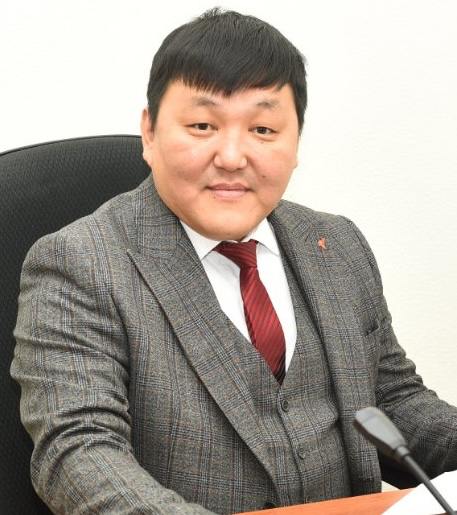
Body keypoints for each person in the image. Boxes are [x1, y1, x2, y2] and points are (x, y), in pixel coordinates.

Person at [11, 7, 457, 515]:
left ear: (296, 142)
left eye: (263, 129)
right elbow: (79, 451)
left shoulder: (337, 244)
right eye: (202, 125)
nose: (231, 156)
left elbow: (393, 401)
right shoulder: (78, 263)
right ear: (150, 132)